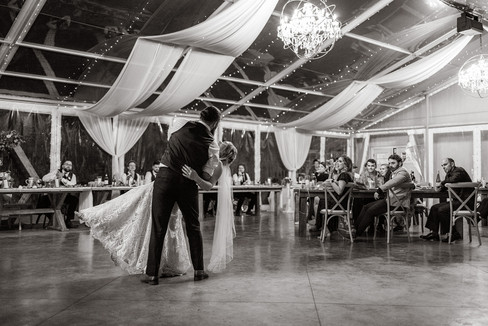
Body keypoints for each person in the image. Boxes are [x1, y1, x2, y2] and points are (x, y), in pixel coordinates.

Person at [77, 141, 238, 279]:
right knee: (134, 204)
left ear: (223, 152)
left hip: (178, 190)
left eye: (221, 145)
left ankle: (161, 264)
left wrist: (195, 177)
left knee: (161, 223)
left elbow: (208, 185)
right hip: (167, 186)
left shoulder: (219, 167)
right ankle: (94, 215)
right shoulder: (207, 155)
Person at [144, 106, 221, 285]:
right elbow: (207, 175)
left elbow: (171, 145)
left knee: (158, 227)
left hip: (164, 179)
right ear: (215, 123)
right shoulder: (213, 145)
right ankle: (199, 271)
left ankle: (152, 274)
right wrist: (194, 172)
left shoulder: (179, 123)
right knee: (193, 227)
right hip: (188, 183)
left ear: (201, 115)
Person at [341, 154, 411, 239]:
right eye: (389, 163)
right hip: (390, 201)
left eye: (393, 163)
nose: (390, 165)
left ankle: (356, 234)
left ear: (400, 163)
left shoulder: (402, 172)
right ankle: (353, 230)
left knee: (370, 211)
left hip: (397, 204)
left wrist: (379, 189)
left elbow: (393, 182)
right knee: (365, 207)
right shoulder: (393, 172)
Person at [420, 158, 472, 243]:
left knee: (442, 210)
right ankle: (434, 233)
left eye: (445, 164)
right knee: (434, 207)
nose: (443, 167)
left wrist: (441, 183)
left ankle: (454, 233)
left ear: (452, 163)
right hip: (458, 201)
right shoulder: (449, 174)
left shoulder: (459, 170)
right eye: (442, 165)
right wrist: (440, 188)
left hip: (466, 202)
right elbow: (447, 185)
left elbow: (454, 179)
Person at [310, 155, 354, 237]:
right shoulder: (345, 174)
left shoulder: (344, 175)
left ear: (346, 165)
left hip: (340, 205)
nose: (337, 162)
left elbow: (339, 191)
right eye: (337, 161)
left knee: (321, 201)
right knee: (321, 200)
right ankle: (329, 229)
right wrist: (332, 175)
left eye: (340, 161)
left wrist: (332, 181)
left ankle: (323, 228)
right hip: (341, 203)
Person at [41, 160, 79, 228]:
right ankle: (52, 218)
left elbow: (72, 184)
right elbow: (44, 178)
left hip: (64, 196)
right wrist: (53, 176)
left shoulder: (73, 176)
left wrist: (62, 178)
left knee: (74, 200)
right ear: (62, 166)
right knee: (42, 201)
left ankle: (68, 220)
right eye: (67, 164)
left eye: (70, 165)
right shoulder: (56, 172)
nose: (68, 166)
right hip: (53, 196)